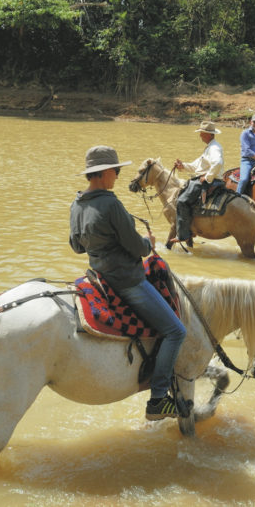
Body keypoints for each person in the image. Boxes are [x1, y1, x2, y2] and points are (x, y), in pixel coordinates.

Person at [69, 145, 187, 420]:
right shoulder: (111, 203)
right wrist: (150, 243)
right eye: (116, 171)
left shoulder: (77, 204)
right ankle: (158, 398)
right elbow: (137, 248)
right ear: (105, 173)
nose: (118, 176)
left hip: (97, 276)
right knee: (176, 331)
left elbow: (76, 246)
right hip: (126, 280)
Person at [171, 120, 225, 247]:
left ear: (208, 134)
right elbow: (197, 166)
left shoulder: (214, 148)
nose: (200, 135)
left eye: (201, 133)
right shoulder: (210, 147)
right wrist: (182, 166)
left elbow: (217, 163)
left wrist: (207, 177)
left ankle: (183, 235)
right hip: (206, 178)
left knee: (181, 201)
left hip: (209, 180)